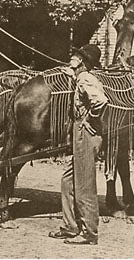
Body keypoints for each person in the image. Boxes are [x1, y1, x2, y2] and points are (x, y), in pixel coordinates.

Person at [49, 43, 107, 245]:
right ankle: (70, 226)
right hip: (81, 133)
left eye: (76, 56)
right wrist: (72, 74)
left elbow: (101, 101)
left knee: (84, 186)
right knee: (68, 181)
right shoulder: (81, 77)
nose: (72, 57)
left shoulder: (85, 79)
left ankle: (90, 233)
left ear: (82, 61)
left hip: (86, 133)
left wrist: (89, 119)